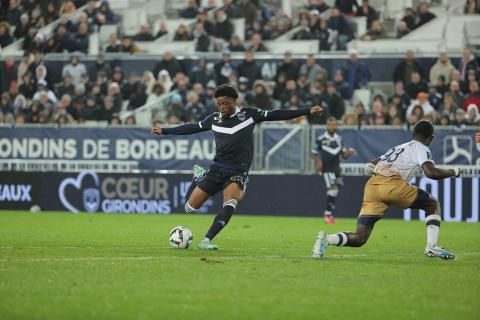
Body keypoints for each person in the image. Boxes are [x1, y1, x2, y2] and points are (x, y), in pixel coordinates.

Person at [152, 84, 324, 250]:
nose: (222, 107)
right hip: (217, 168)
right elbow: (191, 127)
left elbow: (277, 114)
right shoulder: (213, 119)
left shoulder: (249, 114)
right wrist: (166, 130)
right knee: (189, 209)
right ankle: (198, 177)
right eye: (219, 104)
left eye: (225, 103)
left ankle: (206, 240)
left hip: (237, 170)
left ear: (235, 101)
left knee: (230, 203)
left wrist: (307, 111)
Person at [312, 120, 460, 260]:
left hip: (373, 186)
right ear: (431, 138)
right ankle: (431, 246)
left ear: (413, 134)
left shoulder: (398, 147)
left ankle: (326, 239)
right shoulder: (422, 148)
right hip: (392, 185)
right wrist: (453, 171)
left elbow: (371, 164)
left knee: (360, 237)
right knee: (432, 204)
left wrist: (373, 167)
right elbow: (431, 172)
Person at [312, 117, 356, 224]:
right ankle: (327, 214)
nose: (331, 127)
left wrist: (350, 152)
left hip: (336, 168)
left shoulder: (339, 139)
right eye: (329, 125)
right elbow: (313, 153)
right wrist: (318, 161)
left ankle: (330, 207)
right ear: (327, 126)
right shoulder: (321, 139)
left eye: (333, 125)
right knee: (332, 189)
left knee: (337, 188)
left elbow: (344, 155)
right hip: (327, 168)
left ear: (335, 126)